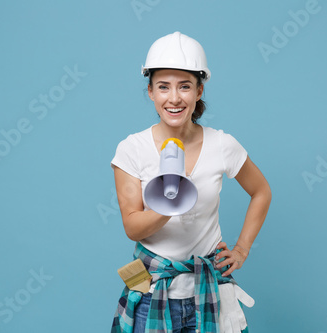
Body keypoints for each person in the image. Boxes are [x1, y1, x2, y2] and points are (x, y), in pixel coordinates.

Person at [111, 31, 271, 333]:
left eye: (184, 86)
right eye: (163, 87)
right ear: (150, 92)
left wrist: (241, 250)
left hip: (211, 290)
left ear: (199, 91)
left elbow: (261, 191)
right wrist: (170, 203)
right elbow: (132, 225)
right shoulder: (132, 149)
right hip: (152, 293)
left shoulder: (222, 144)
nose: (174, 98)